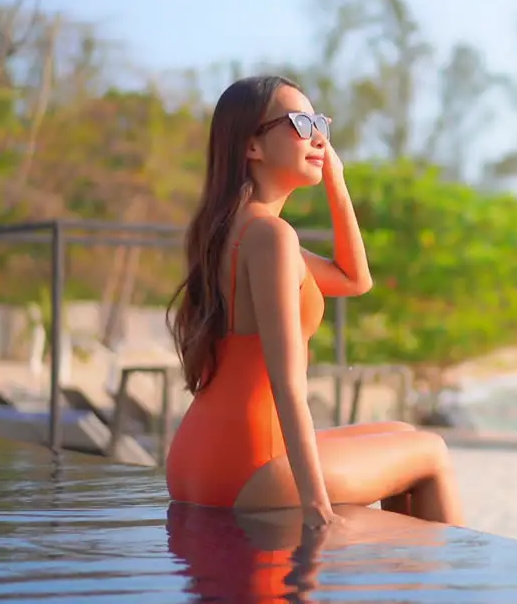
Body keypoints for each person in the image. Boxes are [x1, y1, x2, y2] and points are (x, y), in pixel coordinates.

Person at [164, 75, 464, 528]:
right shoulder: (271, 237)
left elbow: (353, 278)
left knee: (402, 434)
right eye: (301, 123)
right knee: (432, 451)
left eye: (319, 122)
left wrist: (336, 183)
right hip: (249, 466)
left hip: (197, 458)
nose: (318, 137)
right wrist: (317, 507)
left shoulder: (231, 230)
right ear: (253, 147)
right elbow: (288, 386)